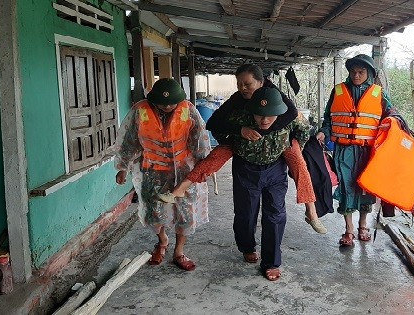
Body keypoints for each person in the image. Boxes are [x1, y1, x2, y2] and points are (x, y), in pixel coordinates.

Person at [160, 64, 327, 235]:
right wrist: (235, 135)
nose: (243, 88)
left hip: (280, 143)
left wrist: (284, 139)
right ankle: (180, 189)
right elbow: (214, 123)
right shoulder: (238, 100)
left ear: (261, 82)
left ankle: (311, 211)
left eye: (247, 84)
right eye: (239, 84)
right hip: (241, 144)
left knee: (299, 164)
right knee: (213, 160)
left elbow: (294, 115)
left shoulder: (274, 94)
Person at [114, 78, 211, 271]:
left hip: (184, 172)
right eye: (162, 103)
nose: (167, 106)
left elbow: (199, 139)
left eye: (171, 102)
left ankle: (179, 251)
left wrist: (203, 167)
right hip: (153, 171)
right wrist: (123, 167)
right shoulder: (140, 110)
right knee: (154, 212)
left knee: (185, 212)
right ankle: (162, 241)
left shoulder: (189, 109)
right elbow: (128, 140)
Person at [316, 54, 398, 246]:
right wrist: (323, 132)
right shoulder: (338, 91)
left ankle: (363, 226)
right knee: (346, 187)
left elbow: (392, 115)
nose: (356, 75)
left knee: (365, 188)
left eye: (361, 72)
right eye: (353, 71)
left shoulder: (379, 93)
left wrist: (392, 123)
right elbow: (328, 118)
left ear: (368, 73)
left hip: (368, 151)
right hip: (344, 150)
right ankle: (348, 231)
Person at [230, 87, 310, 281]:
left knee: (275, 214)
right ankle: (247, 246)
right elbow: (218, 128)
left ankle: (272, 261)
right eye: (259, 115)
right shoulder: (240, 117)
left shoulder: (291, 117)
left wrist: (292, 151)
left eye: (270, 116)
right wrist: (239, 132)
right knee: (246, 213)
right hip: (246, 169)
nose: (264, 120)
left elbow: (305, 131)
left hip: (275, 169)